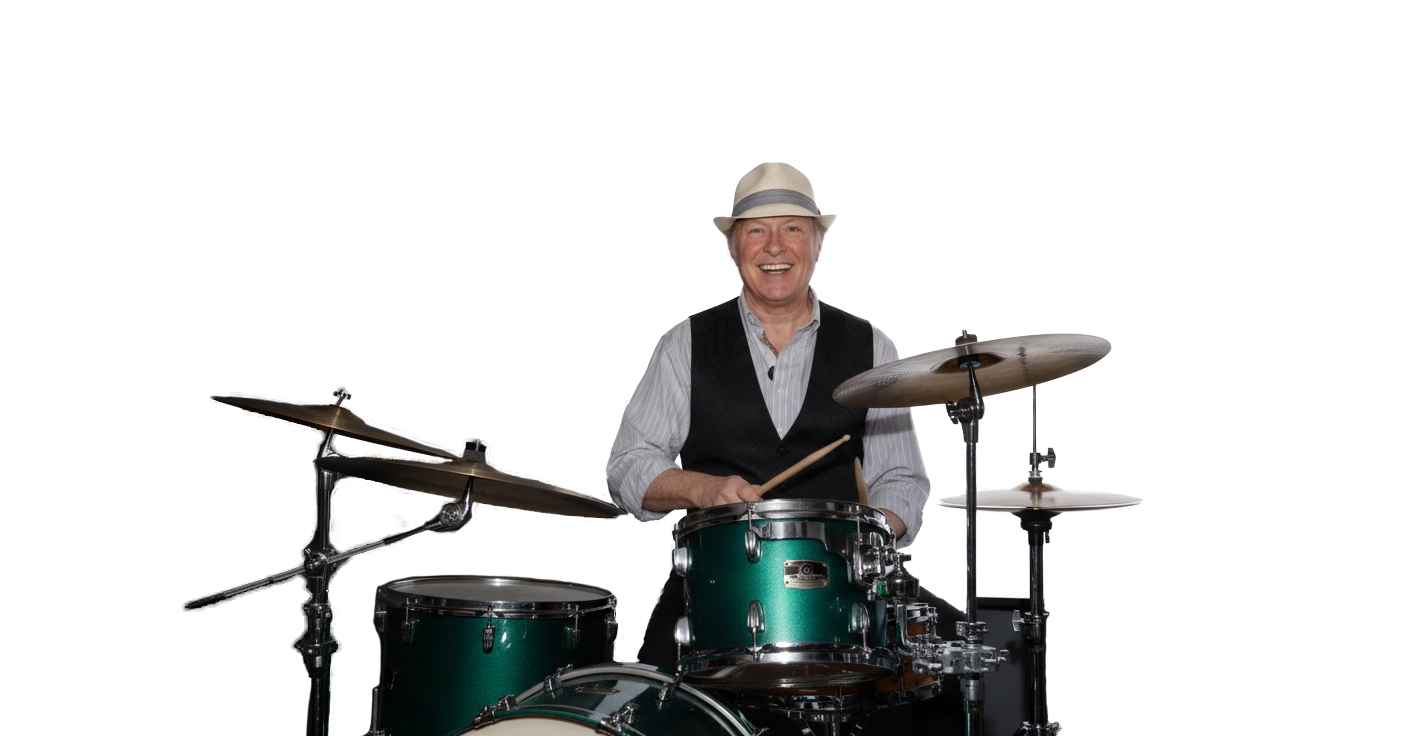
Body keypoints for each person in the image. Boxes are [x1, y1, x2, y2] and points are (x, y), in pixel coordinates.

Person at [607, 162, 963, 733]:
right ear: (732, 246)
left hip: (843, 586)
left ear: (818, 244)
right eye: (755, 230)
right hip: (716, 590)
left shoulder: (872, 345)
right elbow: (628, 465)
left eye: (793, 229)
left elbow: (901, 481)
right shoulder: (685, 344)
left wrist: (868, 537)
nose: (775, 247)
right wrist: (701, 488)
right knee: (652, 713)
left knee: (955, 672)